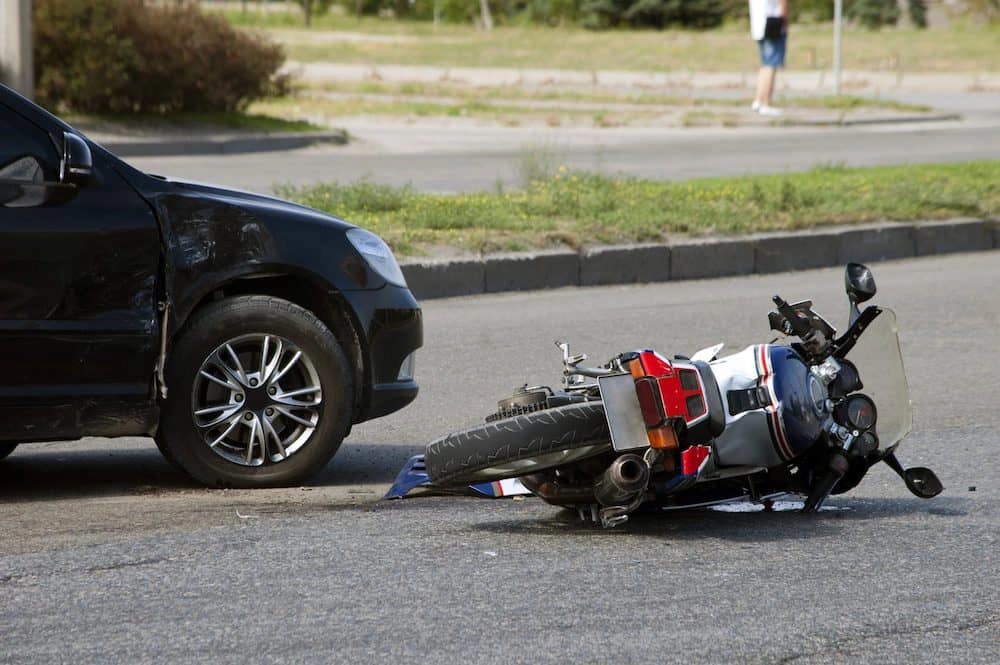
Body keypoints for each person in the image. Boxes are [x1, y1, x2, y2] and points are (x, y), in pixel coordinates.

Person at [749, 0, 789, 116]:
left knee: (765, 64)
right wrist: (785, 21)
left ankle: (758, 100)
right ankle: (766, 103)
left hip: (758, 25)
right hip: (773, 23)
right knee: (771, 65)